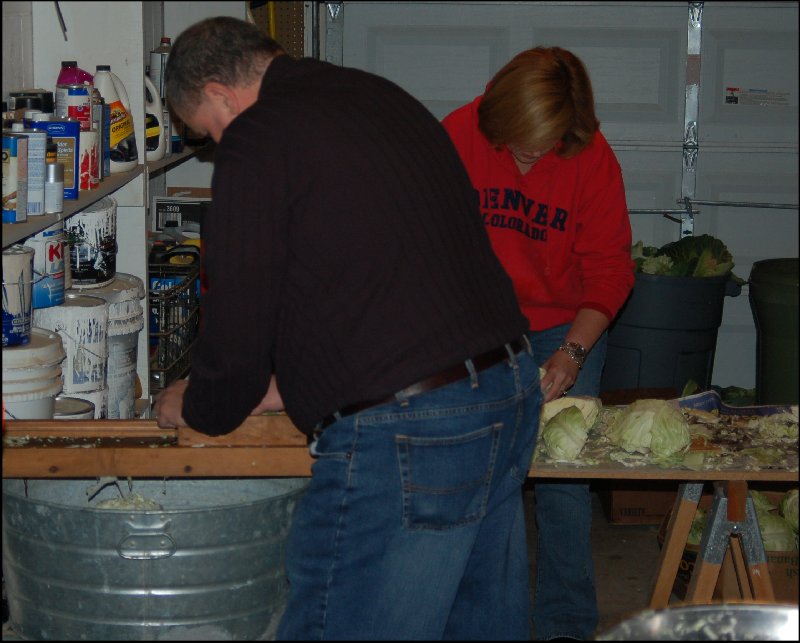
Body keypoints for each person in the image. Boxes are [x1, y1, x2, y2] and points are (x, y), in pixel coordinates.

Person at [155, 17, 543, 641]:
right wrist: (296, 379)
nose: (220, 145)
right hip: (508, 388)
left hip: (414, 429)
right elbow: (371, 264)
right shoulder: (373, 95)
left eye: (210, 131)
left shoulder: (259, 134)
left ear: (223, 96)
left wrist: (203, 402)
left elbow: (239, 308)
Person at [442, 47, 635, 640]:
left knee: (562, 477)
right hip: (478, 321)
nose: (527, 158)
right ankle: (469, 619)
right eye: (517, 143)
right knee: (469, 470)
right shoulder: (456, 133)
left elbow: (609, 270)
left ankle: (565, 625)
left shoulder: (592, 158)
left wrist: (573, 354)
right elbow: (424, 242)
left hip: (563, 323)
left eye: (542, 145)